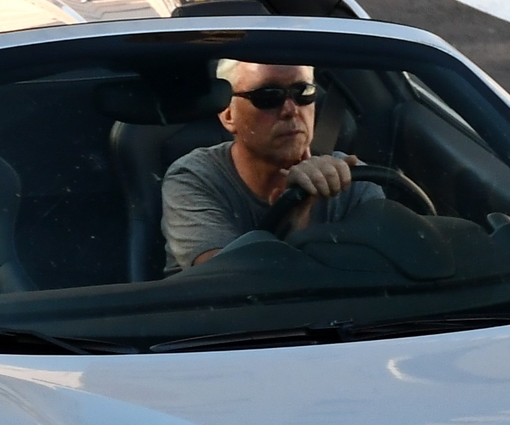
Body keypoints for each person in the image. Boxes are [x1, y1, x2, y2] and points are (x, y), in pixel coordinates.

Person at [162, 62, 383, 272]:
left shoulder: (352, 178)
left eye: (303, 92)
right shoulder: (194, 178)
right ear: (228, 114)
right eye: (268, 97)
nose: (291, 109)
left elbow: (385, 271)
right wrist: (292, 223)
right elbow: (225, 285)